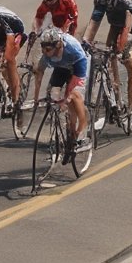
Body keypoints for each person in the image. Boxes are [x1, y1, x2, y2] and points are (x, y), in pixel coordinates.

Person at [32, 26, 90, 164]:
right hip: (61, 68)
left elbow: (77, 79)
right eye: (43, 49)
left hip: (78, 66)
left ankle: (80, 128)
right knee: (52, 93)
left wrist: (67, 98)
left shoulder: (72, 49)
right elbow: (39, 74)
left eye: (48, 49)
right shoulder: (47, 55)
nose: (45, 52)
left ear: (58, 45)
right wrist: (36, 97)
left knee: (73, 96)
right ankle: (64, 125)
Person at [83, 0, 132, 113]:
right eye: (101, 0)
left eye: (105, 0)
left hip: (128, 24)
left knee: (121, 53)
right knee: (108, 51)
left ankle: (131, 97)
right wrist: (86, 42)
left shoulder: (125, 4)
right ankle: (114, 82)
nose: (103, 3)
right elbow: (93, 23)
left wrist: (121, 47)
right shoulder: (100, 2)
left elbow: (126, 29)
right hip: (114, 23)